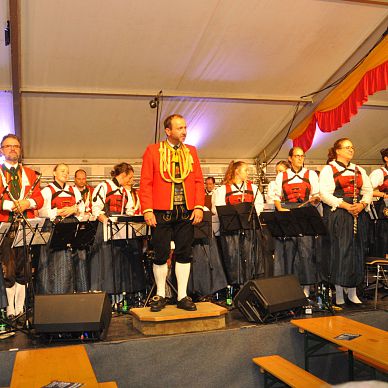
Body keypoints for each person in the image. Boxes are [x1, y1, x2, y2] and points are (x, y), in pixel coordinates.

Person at [139, 114, 204, 312]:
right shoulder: (153, 151)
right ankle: (160, 294)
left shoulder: (191, 151)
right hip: (160, 210)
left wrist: (199, 206)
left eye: (185, 128)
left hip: (185, 211)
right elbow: (146, 182)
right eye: (179, 128)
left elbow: (198, 181)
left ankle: (182, 295)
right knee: (160, 253)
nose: (184, 131)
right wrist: (147, 209)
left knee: (185, 252)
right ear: (168, 131)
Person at [319, 138, 373, 305]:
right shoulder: (329, 169)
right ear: (338, 151)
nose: (351, 150)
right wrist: (346, 206)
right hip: (339, 214)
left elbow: (368, 190)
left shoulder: (359, 170)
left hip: (357, 213)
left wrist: (362, 204)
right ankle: (340, 293)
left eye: (352, 147)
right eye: (347, 147)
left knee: (357, 250)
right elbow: (324, 194)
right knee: (341, 252)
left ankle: (353, 292)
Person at [0, 134, 43, 318]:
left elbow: (40, 198)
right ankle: (10, 308)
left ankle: (20, 308)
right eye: (8, 146)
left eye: (16, 146)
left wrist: (29, 203)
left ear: (20, 150)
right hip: (6, 224)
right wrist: (10, 205)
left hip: (26, 225)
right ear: (2, 150)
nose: (12, 149)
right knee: (8, 269)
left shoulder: (31, 173)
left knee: (24, 269)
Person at [272, 147, 320, 297]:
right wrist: (281, 211)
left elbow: (316, 195)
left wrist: (315, 200)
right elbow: (276, 197)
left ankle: (305, 288)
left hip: (304, 213)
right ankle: (289, 287)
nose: (300, 158)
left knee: (305, 251)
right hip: (287, 214)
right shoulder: (282, 176)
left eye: (302, 156)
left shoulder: (311, 174)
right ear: (290, 158)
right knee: (288, 252)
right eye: (297, 156)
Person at [91, 162, 140, 298]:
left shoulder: (125, 191)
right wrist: (108, 222)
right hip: (106, 229)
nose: (131, 181)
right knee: (106, 262)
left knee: (121, 262)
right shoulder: (104, 186)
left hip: (121, 229)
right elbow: (96, 209)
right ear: (123, 175)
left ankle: (121, 294)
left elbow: (129, 209)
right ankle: (105, 295)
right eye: (130, 178)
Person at [212, 161, 264, 285]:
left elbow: (259, 205)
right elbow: (216, 208)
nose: (248, 173)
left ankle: (251, 284)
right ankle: (235, 286)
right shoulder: (223, 189)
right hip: (231, 230)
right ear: (237, 171)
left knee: (251, 258)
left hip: (249, 229)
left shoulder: (253, 188)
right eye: (245, 170)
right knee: (232, 259)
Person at [37, 163, 84, 294]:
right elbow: (41, 211)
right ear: (54, 173)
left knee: (74, 261)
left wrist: (74, 209)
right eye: (62, 170)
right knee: (57, 263)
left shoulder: (73, 190)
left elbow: (82, 207)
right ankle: (56, 293)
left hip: (71, 228)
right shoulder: (47, 190)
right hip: (54, 229)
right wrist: (58, 211)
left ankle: (73, 292)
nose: (65, 173)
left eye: (67, 171)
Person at [368, 148, 388, 257]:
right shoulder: (379, 173)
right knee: (384, 237)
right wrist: (384, 195)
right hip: (385, 208)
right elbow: (367, 190)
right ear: (386, 158)